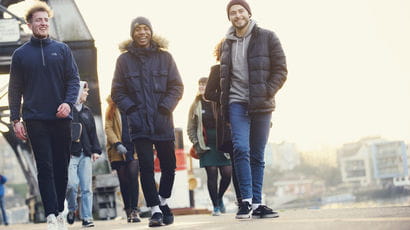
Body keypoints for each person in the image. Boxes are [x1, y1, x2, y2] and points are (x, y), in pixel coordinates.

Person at [8, 1, 80, 229]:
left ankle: (60, 209)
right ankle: (51, 215)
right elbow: (14, 88)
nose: (43, 23)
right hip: (35, 119)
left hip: (61, 118)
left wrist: (68, 104)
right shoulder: (20, 55)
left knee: (61, 166)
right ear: (29, 25)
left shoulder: (63, 49)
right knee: (45, 167)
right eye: (38, 20)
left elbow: (73, 80)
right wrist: (15, 119)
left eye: (46, 20)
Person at [111, 16, 183, 227]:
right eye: (137, 30)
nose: (142, 33)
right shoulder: (123, 61)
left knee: (169, 166)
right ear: (132, 33)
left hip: (162, 121)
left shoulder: (165, 57)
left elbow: (177, 86)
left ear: (151, 32)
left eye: (145, 29)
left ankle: (162, 201)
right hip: (139, 123)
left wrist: (165, 108)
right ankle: (154, 211)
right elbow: (117, 91)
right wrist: (131, 110)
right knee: (146, 168)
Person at [221, 0, 287, 219]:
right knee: (240, 148)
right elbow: (224, 78)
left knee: (257, 154)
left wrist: (267, 91)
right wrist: (224, 108)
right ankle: (246, 201)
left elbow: (281, 69)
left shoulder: (268, 36)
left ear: (249, 13)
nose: (237, 15)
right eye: (233, 13)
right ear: (229, 17)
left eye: (241, 11)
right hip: (236, 102)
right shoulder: (226, 43)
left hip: (261, 103)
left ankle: (258, 203)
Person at [204, 41, 242, 208]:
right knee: (235, 163)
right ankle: (242, 200)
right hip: (227, 122)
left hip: (245, 119)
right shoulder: (216, 70)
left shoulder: (242, 68)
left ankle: (252, 199)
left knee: (248, 161)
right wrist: (226, 97)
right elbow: (208, 93)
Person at [188, 77, 232, 216]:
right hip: (205, 146)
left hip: (222, 143)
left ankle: (219, 198)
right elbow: (191, 128)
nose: (201, 86)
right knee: (212, 175)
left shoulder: (218, 101)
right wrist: (196, 143)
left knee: (227, 174)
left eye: (204, 84)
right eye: (199, 84)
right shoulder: (195, 104)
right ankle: (216, 207)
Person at [66, 81, 101, 228]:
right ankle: (72, 209)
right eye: (84, 91)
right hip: (71, 155)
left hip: (85, 154)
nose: (87, 93)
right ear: (78, 92)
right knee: (71, 185)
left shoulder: (87, 111)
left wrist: (96, 150)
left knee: (86, 188)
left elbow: (93, 133)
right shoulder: (67, 111)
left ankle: (87, 218)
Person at [105, 95, 141, 223]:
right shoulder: (112, 108)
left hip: (133, 147)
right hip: (118, 149)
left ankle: (135, 210)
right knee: (124, 181)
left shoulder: (135, 104)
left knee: (133, 178)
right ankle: (128, 210)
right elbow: (108, 128)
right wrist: (117, 143)